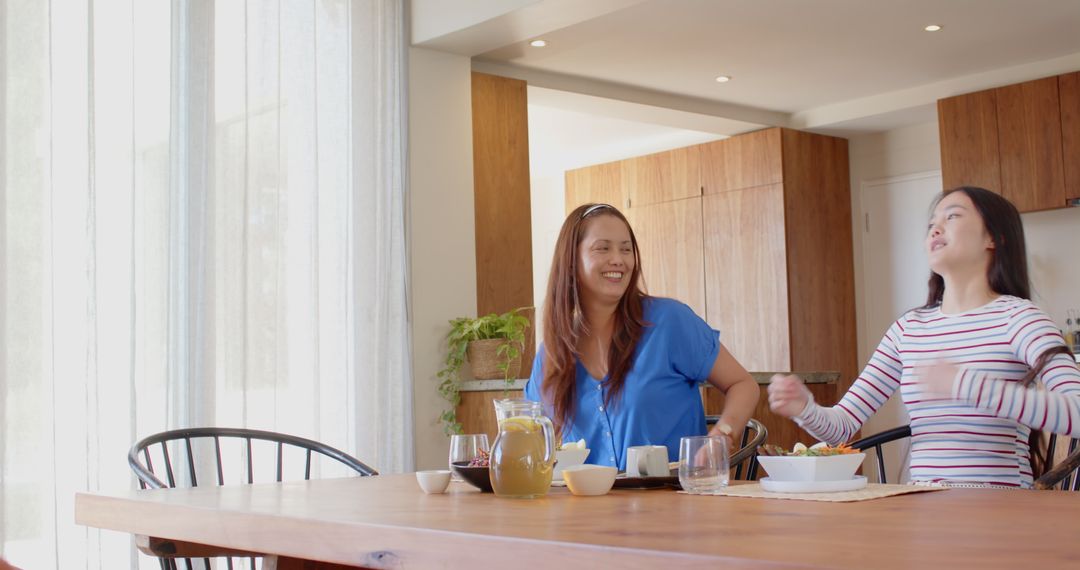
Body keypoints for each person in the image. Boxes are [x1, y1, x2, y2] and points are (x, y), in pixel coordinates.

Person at [768, 186, 1080, 489]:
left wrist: (970, 387)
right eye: (932, 223)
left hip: (999, 507)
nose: (935, 229)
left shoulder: (1020, 318)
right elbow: (842, 426)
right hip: (923, 505)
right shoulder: (908, 329)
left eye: (952, 217)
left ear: (993, 238)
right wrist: (804, 409)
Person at [524, 203, 759, 469]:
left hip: (676, 501)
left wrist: (722, 434)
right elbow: (532, 436)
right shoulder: (552, 353)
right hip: (588, 506)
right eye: (603, 248)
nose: (619, 259)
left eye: (626, 249)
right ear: (571, 260)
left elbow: (743, 384)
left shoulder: (669, 322)